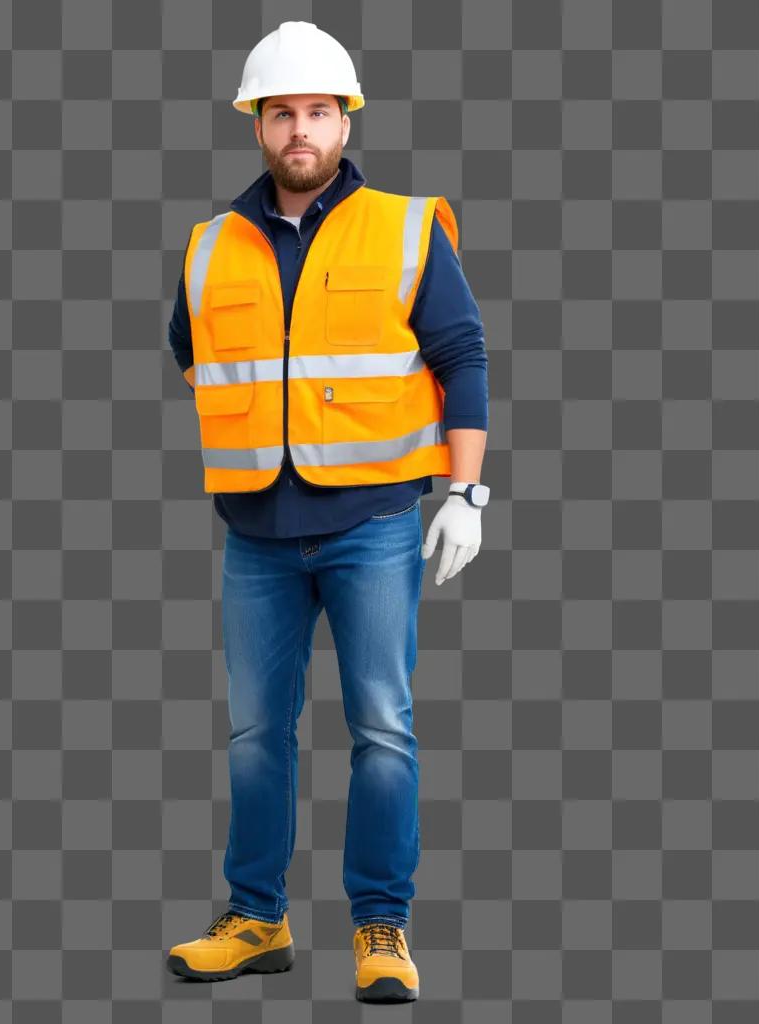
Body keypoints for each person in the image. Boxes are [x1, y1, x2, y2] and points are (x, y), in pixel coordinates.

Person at [163, 21, 490, 1004]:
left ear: (343, 118)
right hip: (254, 531)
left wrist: (466, 492)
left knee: (382, 727)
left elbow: (461, 357)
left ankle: (379, 926)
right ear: (256, 126)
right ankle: (255, 917)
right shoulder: (210, 244)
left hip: (373, 522)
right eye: (280, 113)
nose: (298, 129)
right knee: (256, 732)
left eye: (315, 111)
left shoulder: (401, 225)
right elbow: (198, 354)